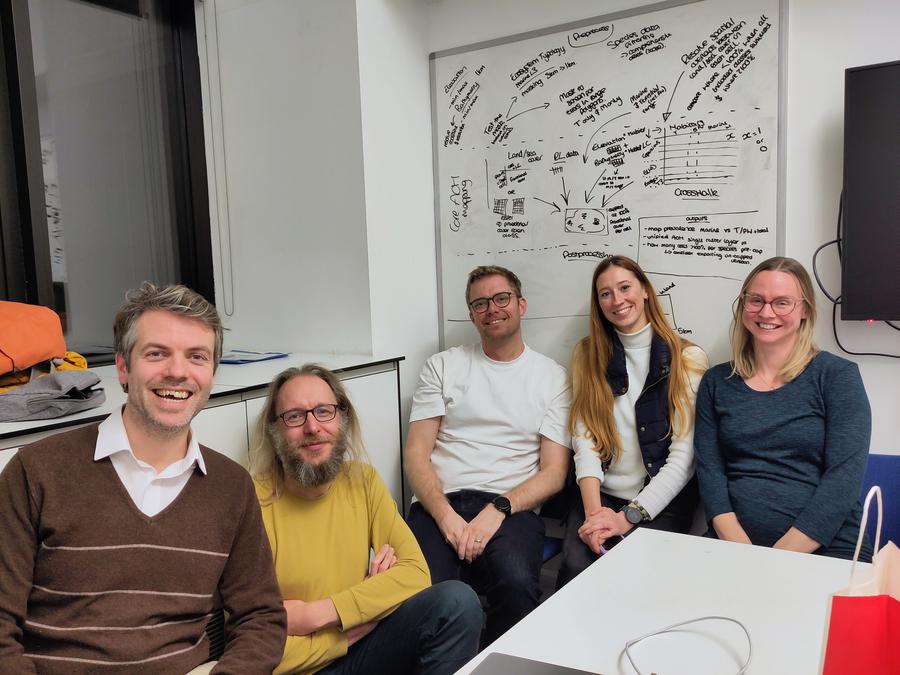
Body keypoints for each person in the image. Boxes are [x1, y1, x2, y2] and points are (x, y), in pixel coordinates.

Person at [0, 282, 286, 674]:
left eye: (197, 357)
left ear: (212, 374)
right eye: (157, 353)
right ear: (123, 365)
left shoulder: (231, 487)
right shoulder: (37, 471)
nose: (178, 372)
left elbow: (261, 616)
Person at [250, 364, 481, 675]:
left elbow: (414, 573)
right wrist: (357, 624)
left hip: (365, 652)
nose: (313, 427)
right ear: (275, 429)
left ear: (342, 419)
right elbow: (253, 644)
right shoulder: (252, 504)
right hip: (302, 668)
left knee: (457, 602)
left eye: (324, 411)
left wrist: (315, 614)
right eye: (294, 416)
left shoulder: (362, 480)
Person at [405, 265, 571, 645]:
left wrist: (497, 509)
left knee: (516, 587)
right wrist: (445, 516)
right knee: (421, 594)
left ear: (521, 304)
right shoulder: (443, 366)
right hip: (438, 504)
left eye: (501, 299)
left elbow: (554, 473)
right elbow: (416, 453)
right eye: (480, 303)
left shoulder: (551, 377)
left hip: (511, 509)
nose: (491, 309)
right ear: (471, 314)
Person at [694, 256, 872, 560]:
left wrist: (777, 559)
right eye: (756, 300)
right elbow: (711, 474)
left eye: (782, 303)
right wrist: (744, 552)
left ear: (804, 310)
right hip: (735, 546)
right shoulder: (716, 382)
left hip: (827, 547)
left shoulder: (837, 376)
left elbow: (843, 480)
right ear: (743, 305)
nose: (766, 312)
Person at [557, 256, 708, 587]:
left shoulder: (687, 358)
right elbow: (584, 441)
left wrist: (628, 518)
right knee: (576, 577)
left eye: (624, 288)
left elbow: (684, 459)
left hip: (659, 502)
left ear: (644, 292)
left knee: (638, 582)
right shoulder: (587, 355)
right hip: (599, 496)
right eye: (605, 293)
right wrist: (596, 516)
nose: (617, 300)